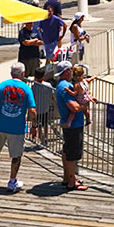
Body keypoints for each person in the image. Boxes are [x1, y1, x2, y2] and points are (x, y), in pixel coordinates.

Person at [0, 62, 36, 192]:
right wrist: (34, 126)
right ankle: (12, 181)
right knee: (16, 155)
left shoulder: (2, 85)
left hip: (0, 125)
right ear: (23, 74)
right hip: (17, 127)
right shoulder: (26, 88)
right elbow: (32, 110)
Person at [56, 62, 88, 191]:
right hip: (74, 126)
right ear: (67, 71)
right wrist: (85, 106)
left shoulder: (61, 85)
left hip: (69, 124)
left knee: (67, 151)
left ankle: (67, 177)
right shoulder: (65, 87)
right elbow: (74, 107)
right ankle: (71, 181)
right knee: (72, 154)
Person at [30, 69, 56, 144]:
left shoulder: (34, 86)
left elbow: (33, 97)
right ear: (44, 76)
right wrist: (55, 102)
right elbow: (52, 95)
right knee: (45, 124)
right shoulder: (48, 85)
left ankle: (41, 139)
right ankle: (46, 137)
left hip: (37, 109)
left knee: (39, 125)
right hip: (45, 108)